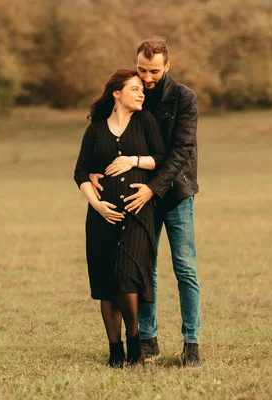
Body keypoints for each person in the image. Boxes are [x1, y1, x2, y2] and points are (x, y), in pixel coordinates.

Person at [90, 36, 202, 366]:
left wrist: (152, 188)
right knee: (143, 270)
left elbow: (181, 151)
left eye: (154, 71)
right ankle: (148, 338)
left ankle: (191, 342)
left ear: (167, 66)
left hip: (176, 194)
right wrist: (95, 170)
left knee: (185, 269)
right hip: (140, 198)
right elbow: (109, 129)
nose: (148, 78)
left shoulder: (184, 99)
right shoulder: (133, 92)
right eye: (142, 69)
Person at [74, 69, 165, 368]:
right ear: (117, 93)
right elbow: (80, 172)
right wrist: (97, 205)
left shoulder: (146, 121)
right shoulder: (96, 130)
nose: (141, 93)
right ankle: (115, 352)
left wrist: (133, 161)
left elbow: (161, 158)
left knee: (127, 279)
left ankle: (135, 344)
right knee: (106, 285)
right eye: (135, 89)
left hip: (138, 214)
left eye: (142, 90)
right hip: (102, 218)